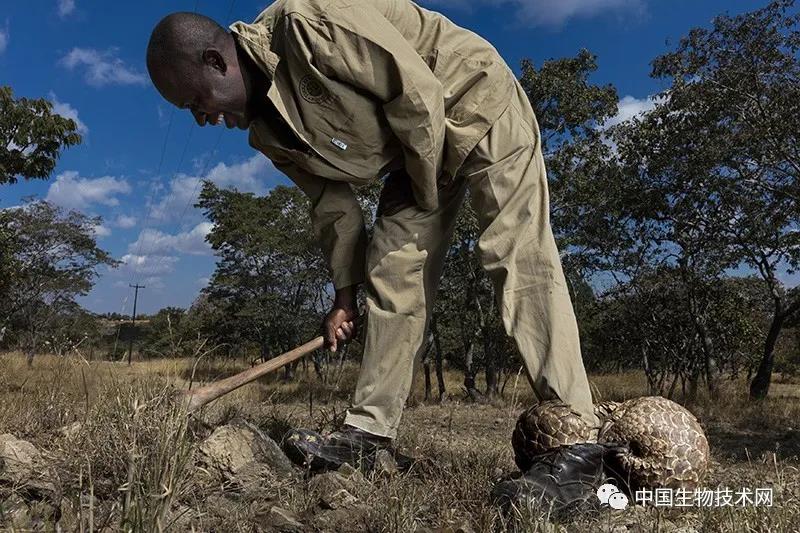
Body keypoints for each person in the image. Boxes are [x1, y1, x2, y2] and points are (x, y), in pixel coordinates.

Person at [146, 0, 598, 468]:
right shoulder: (267, 135)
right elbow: (333, 207)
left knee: (515, 253)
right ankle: (368, 434)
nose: (203, 119)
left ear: (216, 62)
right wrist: (345, 296)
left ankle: (578, 437)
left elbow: (416, 90)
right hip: (415, 150)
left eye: (196, 102)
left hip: (472, 100)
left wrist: (424, 196)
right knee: (391, 267)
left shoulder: (306, 23)